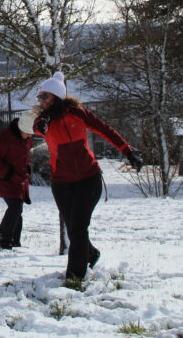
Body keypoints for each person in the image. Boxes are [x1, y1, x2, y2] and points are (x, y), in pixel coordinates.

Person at [32, 72, 141, 282]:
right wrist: (42, 124)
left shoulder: (78, 114)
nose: (41, 100)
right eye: (39, 96)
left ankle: (75, 277)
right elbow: (37, 127)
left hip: (88, 179)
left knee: (79, 228)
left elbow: (105, 130)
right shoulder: (43, 120)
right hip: (61, 183)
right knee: (73, 228)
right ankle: (90, 254)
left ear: (56, 96)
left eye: (44, 96)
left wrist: (128, 151)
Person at [0, 111, 36, 249]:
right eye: (27, 132)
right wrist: (8, 174)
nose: (29, 136)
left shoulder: (26, 136)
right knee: (15, 207)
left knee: (17, 209)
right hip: (3, 178)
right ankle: (3, 237)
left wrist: (26, 169)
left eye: (31, 133)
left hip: (18, 179)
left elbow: (23, 155)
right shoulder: (5, 137)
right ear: (21, 127)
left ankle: (14, 241)